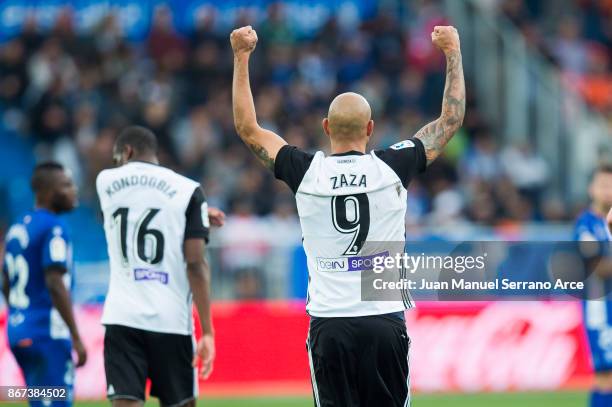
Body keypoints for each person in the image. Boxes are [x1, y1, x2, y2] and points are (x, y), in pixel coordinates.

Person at [231, 25, 465, 407]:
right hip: (383, 317)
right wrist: (452, 53)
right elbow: (449, 121)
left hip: (331, 322)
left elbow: (248, 128)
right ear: (370, 130)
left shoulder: (306, 172)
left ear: (326, 128)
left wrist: (241, 57)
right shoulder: (393, 166)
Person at [96, 126, 223, 407]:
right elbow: (196, 264)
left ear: (127, 152)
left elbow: (133, 207)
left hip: (122, 317)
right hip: (172, 320)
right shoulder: (188, 190)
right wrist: (208, 331)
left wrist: (196, 215)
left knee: (125, 402)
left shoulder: (105, 182)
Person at [2, 162, 87, 407]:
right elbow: (55, 282)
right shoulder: (53, 227)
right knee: (57, 401)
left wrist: (20, 314)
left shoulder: (18, 225)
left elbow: (5, 280)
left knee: (38, 400)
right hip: (46, 333)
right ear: (48, 192)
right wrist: (76, 336)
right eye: (67, 185)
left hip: (19, 332)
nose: (74, 191)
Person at [574, 165, 612, 407]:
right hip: (600, 310)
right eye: (603, 185)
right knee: (606, 377)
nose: (608, 191)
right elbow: (598, 268)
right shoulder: (585, 225)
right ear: (591, 189)